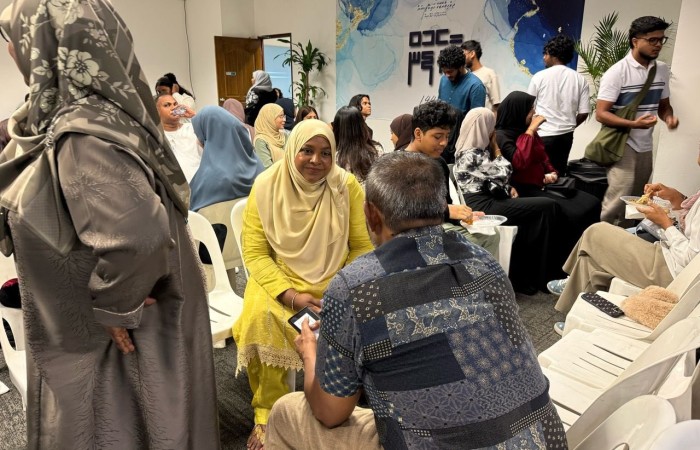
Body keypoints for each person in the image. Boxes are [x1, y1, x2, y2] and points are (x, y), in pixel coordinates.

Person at [0, 1, 220, 448]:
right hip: (129, 316)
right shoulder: (113, 111)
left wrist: (116, 308)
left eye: (17, 39)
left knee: (123, 423)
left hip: (116, 336)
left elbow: (138, 238)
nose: (11, 51)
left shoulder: (82, 134)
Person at [265, 151, 567, 450]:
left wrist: (310, 353)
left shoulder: (354, 288)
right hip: (544, 438)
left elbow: (331, 412)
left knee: (286, 411)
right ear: (442, 206)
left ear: (371, 214)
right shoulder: (484, 261)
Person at [232, 119, 374, 450]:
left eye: (326, 153)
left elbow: (362, 246)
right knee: (261, 317)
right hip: (280, 278)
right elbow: (255, 253)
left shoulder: (346, 186)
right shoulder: (266, 186)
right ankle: (268, 411)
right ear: (293, 149)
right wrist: (292, 295)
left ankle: (340, 394)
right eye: (307, 151)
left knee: (370, 311)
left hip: (336, 277)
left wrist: (340, 289)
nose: (316, 161)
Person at [549, 146, 700, 317]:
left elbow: (691, 259)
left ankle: (570, 279)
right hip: (672, 260)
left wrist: (666, 224)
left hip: (674, 273)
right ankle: (575, 316)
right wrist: (677, 199)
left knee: (596, 233)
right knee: (590, 262)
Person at [454, 107, 560, 294]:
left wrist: (508, 188)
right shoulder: (472, 154)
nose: (493, 131)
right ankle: (540, 275)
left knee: (537, 210)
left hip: (485, 199)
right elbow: (505, 171)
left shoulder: (466, 151)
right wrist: (496, 147)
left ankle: (528, 275)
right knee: (547, 205)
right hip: (483, 205)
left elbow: (493, 178)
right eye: (491, 126)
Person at [495, 91, 601, 276]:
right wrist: (530, 131)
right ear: (518, 111)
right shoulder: (502, 135)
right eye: (530, 110)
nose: (534, 113)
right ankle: (562, 267)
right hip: (523, 189)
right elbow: (520, 162)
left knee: (591, 203)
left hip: (543, 185)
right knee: (573, 213)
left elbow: (542, 155)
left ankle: (585, 261)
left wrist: (551, 171)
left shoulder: (527, 131)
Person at [597, 16, 679, 227]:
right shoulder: (617, 72)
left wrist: (669, 118)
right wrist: (634, 124)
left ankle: (626, 238)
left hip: (645, 145)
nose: (658, 44)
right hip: (621, 144)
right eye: (652, 40)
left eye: (661, 39)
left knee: (637, 199)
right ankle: (602, 237)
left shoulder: (661, 70)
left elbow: (664, 106)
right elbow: (601, 113)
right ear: (635, 41)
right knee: (618, 200)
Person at [405, 100, 499, 257]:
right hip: (412, 232)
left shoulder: (439, 162)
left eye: (447, 136)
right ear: (418, 134)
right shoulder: (397, 166)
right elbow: (403, 210)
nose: (444, 143)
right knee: (468, 242)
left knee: (491, 234)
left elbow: (446, 203)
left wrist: (463, 218)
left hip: (440, 225)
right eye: (437, 137)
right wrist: (448, 211)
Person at [527, 35, 590, 175]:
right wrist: (570, 126)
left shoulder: (539, 76)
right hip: (565, 137)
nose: (544, 57)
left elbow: (528, 106)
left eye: (546, 53)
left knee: (538, 175)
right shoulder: (580, 80)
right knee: (558, 175)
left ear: (553, 54)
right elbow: (584, 113)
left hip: (542, 134)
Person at [189, 106, 263, 211]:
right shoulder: (258, 165)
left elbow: (191, 213)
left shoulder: (209, 179)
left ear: (210, 133)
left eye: (200, 133)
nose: (198, 139)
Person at [437, 44, 486, 164]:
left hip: (461, 145)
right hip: (441, 142)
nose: (447, 75)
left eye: (450, 71)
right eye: (444, 72)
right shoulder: (443, 80)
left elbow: (475, 125)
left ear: (461, 66)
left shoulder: (476, 86)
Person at [155, 93, 201, 182]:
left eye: (175, 104)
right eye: (167, 105)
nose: (173, 108)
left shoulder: (192, 127)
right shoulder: (158, 136)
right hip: (181, 186)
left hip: (204, 181)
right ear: (156, 111)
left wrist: (194, 115)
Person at [332, 106, 382, 184]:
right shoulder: (376, 149)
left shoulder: (335, 156)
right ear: (362, 125)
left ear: (337, 129)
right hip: (373, 191)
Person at [461, 40, 501, 111]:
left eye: (463, 55)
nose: (461, 59)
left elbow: (496, 105)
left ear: (472, 54)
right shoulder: (464, 75)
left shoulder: (489, 73)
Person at [253, 103, 287, 169]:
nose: (284, 120)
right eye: (281, 116)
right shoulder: (260, 141)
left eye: (284, 116)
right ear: (270, 118)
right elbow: (267, 168)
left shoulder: (284, 135)